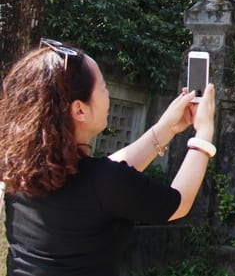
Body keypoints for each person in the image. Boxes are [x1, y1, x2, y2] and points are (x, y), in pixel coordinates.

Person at [0, 39, 217, 276]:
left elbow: (101, 182)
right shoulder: (104, 182)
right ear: (80, 110)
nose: (107, 94)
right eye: (103, 87)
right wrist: (204, 134)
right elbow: (178, 203)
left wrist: (166, 128)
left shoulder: (19, 173)